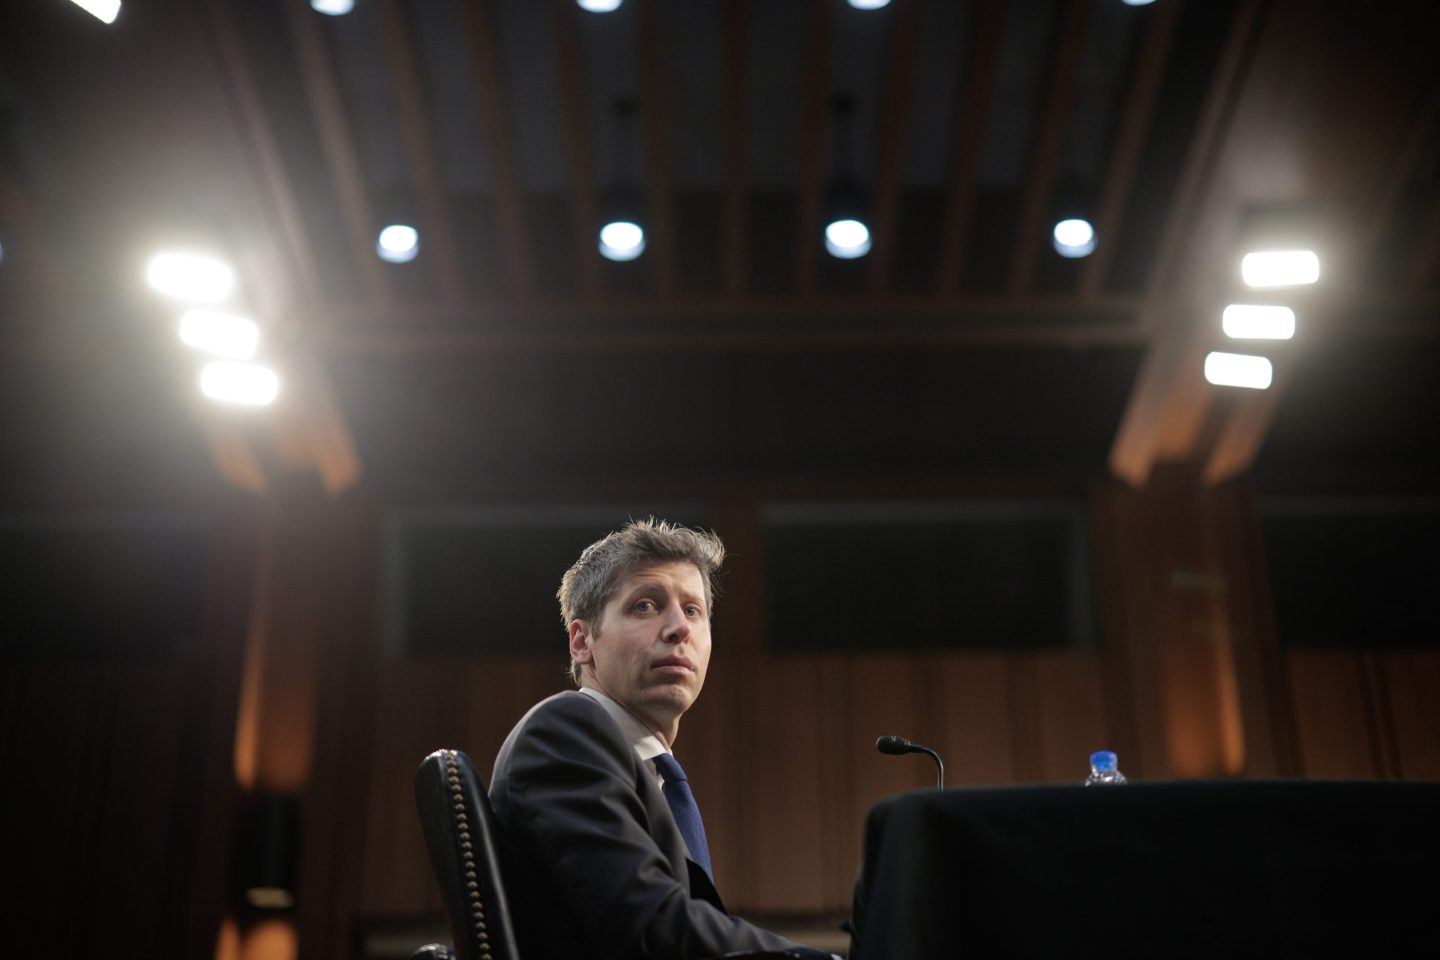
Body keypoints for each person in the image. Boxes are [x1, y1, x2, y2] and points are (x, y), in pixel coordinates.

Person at [489, 518, 834, 959]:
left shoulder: (648, 774)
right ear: (581, 642)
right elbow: (653, 925)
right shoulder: (562, 732)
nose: (679, 628)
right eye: (646, 606)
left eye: (693, 611)